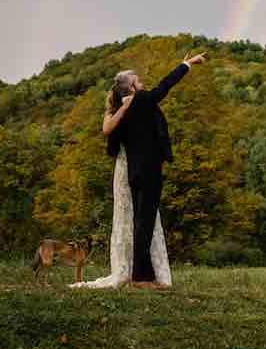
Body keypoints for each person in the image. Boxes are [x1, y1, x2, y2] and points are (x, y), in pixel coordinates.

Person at [70, 51, 206, 290]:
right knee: (144, 223)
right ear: (132, 86)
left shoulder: (119, 112)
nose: (143, 83)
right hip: (150, 169)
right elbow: (165, 86)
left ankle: (144, 274)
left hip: (133, 172)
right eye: (139, 81)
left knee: (141, 222)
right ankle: (141, 278)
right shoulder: (141, 100)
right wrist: (186, 65)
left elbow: (111, 138)